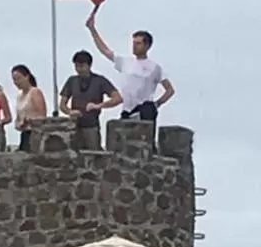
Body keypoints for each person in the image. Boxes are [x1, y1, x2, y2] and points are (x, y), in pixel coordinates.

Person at [86, 9, 175, 139]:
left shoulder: (154, 68)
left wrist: (157, 104)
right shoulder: (126, 62)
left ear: (147, 45)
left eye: (138, 43)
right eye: (133, 43)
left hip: (143, 110)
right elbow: (105, 50)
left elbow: (170, 90)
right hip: (127, 110)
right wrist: (92, 30)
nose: (134, 46)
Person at [59, 50, 123, 150]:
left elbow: (118, 98)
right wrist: (70, 112)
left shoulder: (99, 81)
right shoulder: (72, 81)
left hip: (92, 126)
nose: (79, 69)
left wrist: (98, 106)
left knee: (94, 156)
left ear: (89, 65)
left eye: (82, 66)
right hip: (74, 126)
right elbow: (62, 105)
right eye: (76, 66)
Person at [11, 64, 47, 152]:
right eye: (14, 79)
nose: (16, 82)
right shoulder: (19, 96)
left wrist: (30, 120)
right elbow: (18, 116)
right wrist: (18, 123)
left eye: (19, 78)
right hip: (24, 133)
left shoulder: (35, 92)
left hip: (35, 133)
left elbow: (42, 115)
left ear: (27, 77)